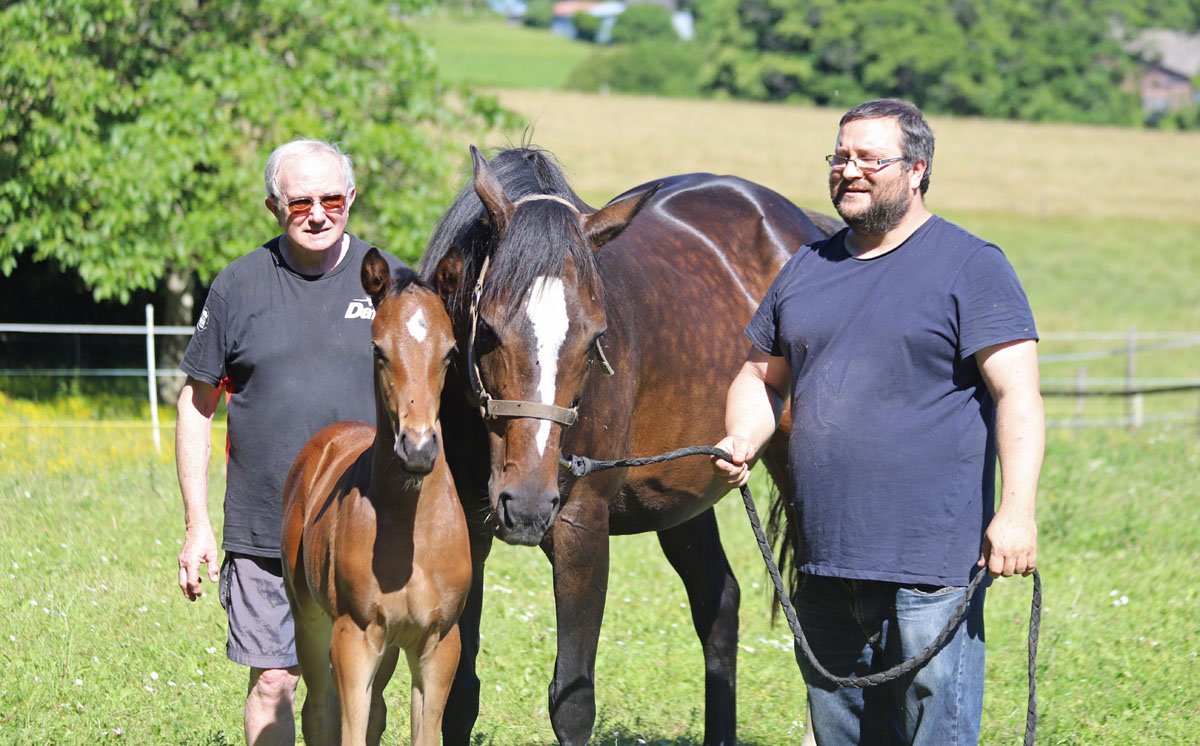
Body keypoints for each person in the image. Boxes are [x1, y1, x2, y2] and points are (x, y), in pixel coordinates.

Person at [712, 98, 1043, 744]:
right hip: (825, 557)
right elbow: (760, 376)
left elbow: (1018, 395)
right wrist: (742, 436)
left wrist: (1017, 511)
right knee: (840, 734)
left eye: (869, 158)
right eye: (840, 157)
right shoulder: (806, 268)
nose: (849, 170)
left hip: (932, 563)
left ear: (916, 170)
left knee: (934, 733)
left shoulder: (971, 266)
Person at [175, 139, 402, 745]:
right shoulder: (238, 286)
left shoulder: (388, 283)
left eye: (332, 199)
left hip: (365, 527)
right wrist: (198, 526)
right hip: (265, 529)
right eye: (300, 202)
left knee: (359, 684)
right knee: (275, 680)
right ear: (273, 206)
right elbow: (196, 405)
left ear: (351, 197)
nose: (318, 214)